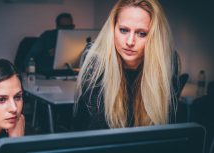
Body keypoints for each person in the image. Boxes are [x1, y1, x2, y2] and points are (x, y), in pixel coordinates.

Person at [72, 0, 179, 131]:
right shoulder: (96, 62)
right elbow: (99, 129)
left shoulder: (167, 62)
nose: (130, 42)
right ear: (113, 29)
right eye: (123, 30)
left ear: (155, 37)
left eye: (142, 33)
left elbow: (165, 127)